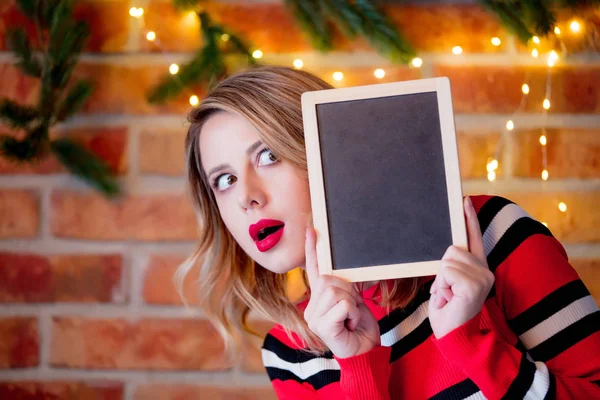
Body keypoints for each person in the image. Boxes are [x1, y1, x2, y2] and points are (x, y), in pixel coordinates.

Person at [177, 65, 600, 399]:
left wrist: (471, 344)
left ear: (332, 148)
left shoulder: (489, 235)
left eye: (268, 156)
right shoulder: (290, 353)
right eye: (225, 180)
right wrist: (358, 366)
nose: (246, 197)